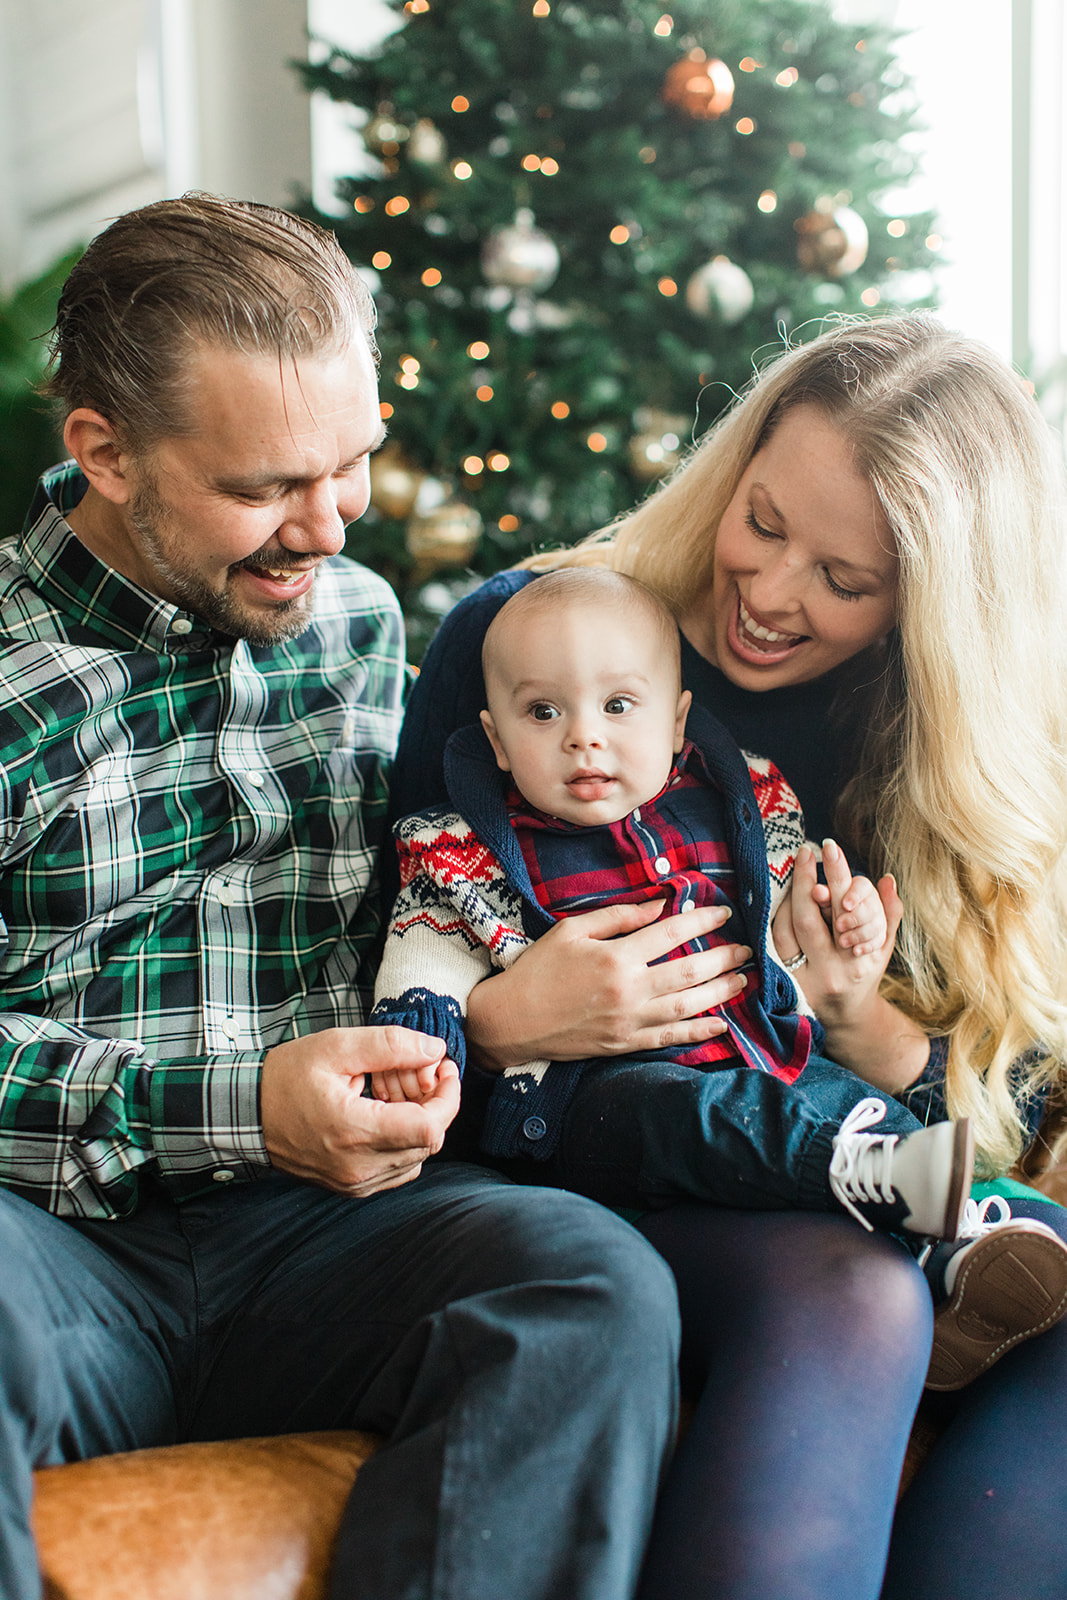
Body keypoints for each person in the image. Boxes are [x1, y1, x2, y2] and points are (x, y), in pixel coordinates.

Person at [0, 193, 683, 1600]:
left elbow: (453, 887)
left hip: (328, 1237)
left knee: (584, 1285)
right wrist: (241, 1106)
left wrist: (469, 1029)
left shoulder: (365, 624)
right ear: (105, 453)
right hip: (48, 1246)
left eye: (354, 462)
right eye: (263, 489)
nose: (325, 526)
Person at [391, 314, 1067, 1599]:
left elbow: (1006, 1087)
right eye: (762, 521)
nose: (767, 592)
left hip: (823, 1140)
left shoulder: (919, 751)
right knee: (857, 1294)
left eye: (841, 579)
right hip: (572, 1154)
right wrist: (504, 1022)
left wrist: (858, 1017)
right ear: (733, 464)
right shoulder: (537, 642)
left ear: (925, 608)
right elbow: (392, 968)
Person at [372, 564, 1067, 1377]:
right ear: (495, 739)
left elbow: (783, 928)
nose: (583, 737)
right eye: (542, 712)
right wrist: (424, 1038)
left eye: (618, 707)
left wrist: (841, 931)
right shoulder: (467, 851)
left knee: (828, 1097)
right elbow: (423, 958)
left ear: (676, 725)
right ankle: (919, 1203)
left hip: (760, 1059)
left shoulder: (733, 808)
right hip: (595, 1105)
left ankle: (968, 1244)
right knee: (674, 1109)